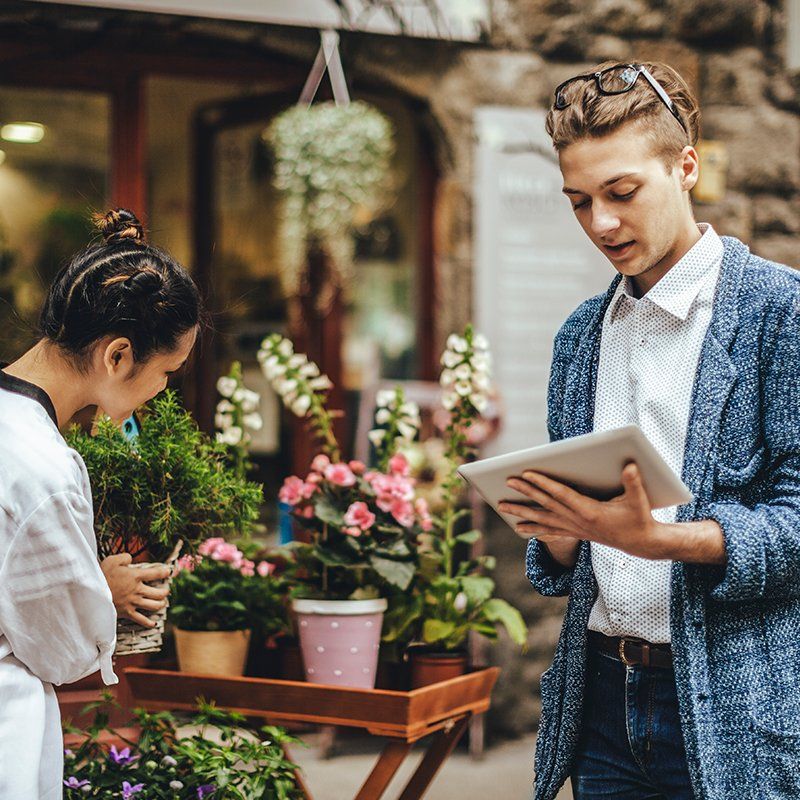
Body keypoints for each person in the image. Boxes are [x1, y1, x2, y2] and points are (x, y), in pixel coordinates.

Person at [498, 62, 800, 800]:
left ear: (686, 166)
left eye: (621, 193)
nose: (600, 222)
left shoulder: (779, 313)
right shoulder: (580, 336)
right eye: (579, 202)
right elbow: (561, 566)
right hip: (599, 699)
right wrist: (561, 526)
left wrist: (663, 540)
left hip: (741, 710)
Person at [0, 208, 201, 798]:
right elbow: (60, 652)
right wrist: (100, 591)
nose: (163, 388)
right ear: (118, 356)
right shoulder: (42, 467)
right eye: (168, 371)